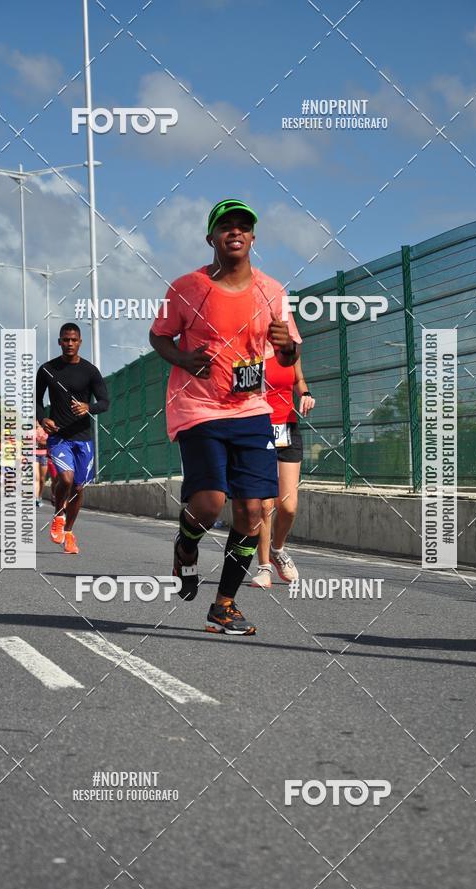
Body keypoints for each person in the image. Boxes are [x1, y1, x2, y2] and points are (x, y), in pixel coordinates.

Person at [150, 198, 301, 635]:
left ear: (253, 237)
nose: (235, 232)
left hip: (251, 408)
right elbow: (158, 335)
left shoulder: (271, 292)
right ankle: (187, 543)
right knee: (209, 503)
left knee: (253, 511)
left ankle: (224, 605)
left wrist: (285, 345)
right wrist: (182, 355)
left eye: (243, 226)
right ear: (211, 238)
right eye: (225, 226)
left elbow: (289, 353)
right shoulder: (186, 288)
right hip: (197, 407)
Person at [36, 323, 110, 554]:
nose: (69, 343)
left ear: (80, 342)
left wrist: (89, 407)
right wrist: (42, 419)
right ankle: (58, 516)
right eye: (65, 340)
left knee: (78, 487)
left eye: (73, 340)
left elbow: (105, 402)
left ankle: (68, 531)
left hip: (83, 437)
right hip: (59, 436)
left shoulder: (90, 371)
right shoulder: (47, 369)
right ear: (59, 342)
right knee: (66, 479)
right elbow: (36, 400)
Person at [251, 356, 315, 588]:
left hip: (287, 429)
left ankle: (277, 550)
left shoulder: (290, 347)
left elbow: (299, 380)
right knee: (265, 505)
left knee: (288, 506)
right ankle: (263, 567)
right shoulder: (248, 347)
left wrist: (305, 395)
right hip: (256, 429)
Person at [34, 420, 49, 507]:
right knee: (36, 478)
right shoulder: (29, 431)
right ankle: (35, 498)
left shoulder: (45, 430)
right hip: (34, 454)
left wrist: (42, 443)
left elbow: (47, 442)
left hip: (44, 455)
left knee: (42, 479)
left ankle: (40, 496)